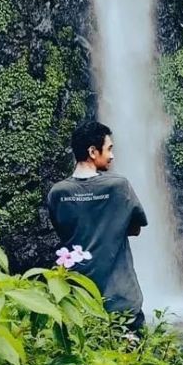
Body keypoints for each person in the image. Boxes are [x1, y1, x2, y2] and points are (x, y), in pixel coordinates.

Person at [46, 119, 148, 330]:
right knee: (130, 361)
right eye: (109, 149)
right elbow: (135, 229)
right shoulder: (119, 187)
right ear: (93, 152)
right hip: (121, 303)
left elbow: (64, 232)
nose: (112, 155)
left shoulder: (57, 193)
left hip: (78, 302)